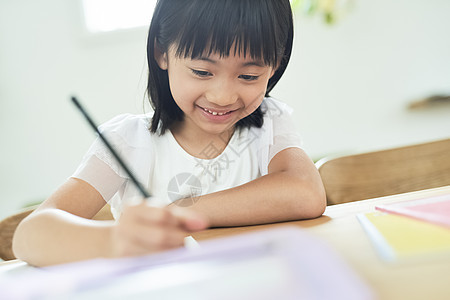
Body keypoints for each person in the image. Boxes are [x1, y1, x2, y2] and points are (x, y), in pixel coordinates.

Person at [13, 0, 326, 267]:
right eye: (202, 71)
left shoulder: (269, 121)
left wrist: (178, 212)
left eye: (248, 75)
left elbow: (305, 193)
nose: (223, 96)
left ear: (274, 67)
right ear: (162, 53)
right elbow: (30, 236)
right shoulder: (129, 141)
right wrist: (116, 240)